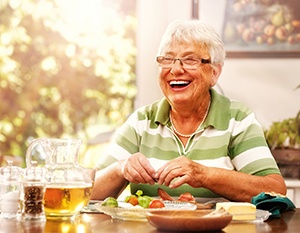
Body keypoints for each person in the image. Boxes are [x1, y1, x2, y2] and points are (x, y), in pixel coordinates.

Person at [91, 19, 286, 202]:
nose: (175, 70)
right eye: (167, 59)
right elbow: (88, 191)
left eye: (190, 60)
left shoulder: (237, 119)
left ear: (214, 73)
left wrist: (204, 175)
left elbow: (274, 190)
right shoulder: (142, 121)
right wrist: (120, 169)